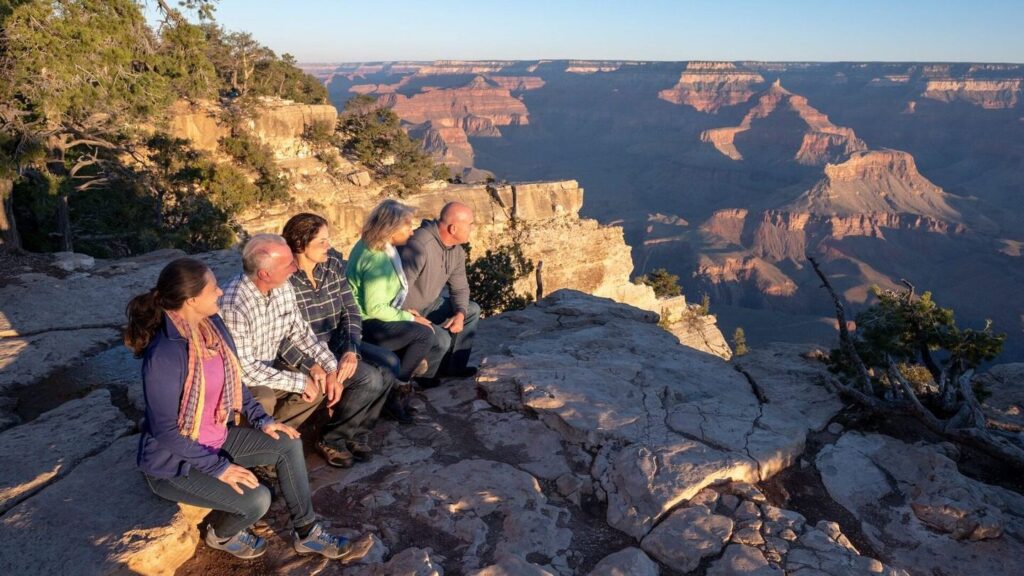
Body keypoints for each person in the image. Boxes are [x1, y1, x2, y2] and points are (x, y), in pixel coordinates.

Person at [126, 257, 350, 560]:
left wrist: (262, 420)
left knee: (287, 442)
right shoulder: (165, 355)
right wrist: (220, 468)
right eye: (214, 288)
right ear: (192, 300)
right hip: (174, 462)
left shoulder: (212, 326)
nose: (220, 293)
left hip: (216, 437)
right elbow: (166, 432)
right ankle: (220, 535)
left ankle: (307, 533)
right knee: (259, 499)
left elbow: (234, 378)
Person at [220, 234, 354, 468]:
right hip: (236, 381)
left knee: (319, 382)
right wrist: (299, 382)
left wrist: (330, 368)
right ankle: (252, 457)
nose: (295, 268)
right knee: (264, 397)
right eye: (288, 264)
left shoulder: (281, 287)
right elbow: (246, 370)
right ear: (265, 274)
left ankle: (274, 449)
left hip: (267, 367)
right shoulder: (235, 304)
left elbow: (300, 332)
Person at [279, 213, 399, 445]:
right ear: (300, 245)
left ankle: (358, 431)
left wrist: (351, 350)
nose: (329, 246)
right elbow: (283, 337)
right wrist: (324, 366)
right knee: (370, 378)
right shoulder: (285, 280)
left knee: (387, 368)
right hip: (306, 356)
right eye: (321, 241)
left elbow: (351, 312)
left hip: (337, 345)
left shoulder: (332, 266)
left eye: (328, 239)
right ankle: (332, 439)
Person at [346, 200, 434, 385]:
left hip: (364, 317)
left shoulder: (371, 245)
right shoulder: (377, 259)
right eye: (407, 225)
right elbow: (374, 309)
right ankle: (399, 386)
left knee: (420, 329)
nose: (412, 231)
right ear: (391, 228)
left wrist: (405, 314)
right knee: (424, 334)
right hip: (364, 324)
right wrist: (409, 318)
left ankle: (398, 379)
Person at [399, 201, 481, 384]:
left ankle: (454, 368)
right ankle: (425, 378)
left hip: (429, 304)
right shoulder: (419, 245)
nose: (472, 229)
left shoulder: (456, 251)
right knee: (442, 339)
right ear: (453, 228)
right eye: (469, 225)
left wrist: (460, 313)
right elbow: (398, 288)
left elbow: (460, 288)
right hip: (406, 310)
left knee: (471, 309)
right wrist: (409, 315)